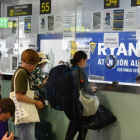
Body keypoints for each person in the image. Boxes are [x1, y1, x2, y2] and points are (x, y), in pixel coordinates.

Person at [11, 49, 44, 140]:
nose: (32, 67)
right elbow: (19, 96)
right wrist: (35, 102)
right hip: (24, 116)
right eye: (29, 64)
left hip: (24, 115)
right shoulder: (21, 73)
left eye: (34, 64)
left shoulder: (25, 73)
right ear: (22, 61)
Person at [65, 51, 96, 140]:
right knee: (74, 130)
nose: (85, 63)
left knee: (81, 128)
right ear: (82, 60)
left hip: (68, 104)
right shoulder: (80, 71)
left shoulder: (70, 69)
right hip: (76, 105)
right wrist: (92, 90)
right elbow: (86, 88)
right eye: (85, 61)